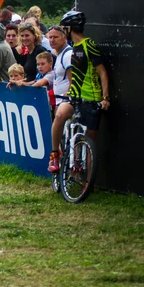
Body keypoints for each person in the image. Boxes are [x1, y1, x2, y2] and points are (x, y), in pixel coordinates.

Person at [48, 10, 110, 173]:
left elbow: (102, 72)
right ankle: (54, 154)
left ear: (69, 28)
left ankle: (87, 181)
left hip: (91, 99)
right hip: (75, 97)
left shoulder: (88, 45)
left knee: (90, 141)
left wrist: (105, 97)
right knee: (60, 115)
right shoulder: (74, 48)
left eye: (64, 28)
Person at [47, 25, 72, 101]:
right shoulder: (58, 53)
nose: (52, 40)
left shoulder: (68, 54)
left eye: (55, 37)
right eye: (50, 37)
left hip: (66, 101)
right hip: (58, 100)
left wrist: (66, 98)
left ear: (64, 38)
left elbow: (73, 81)